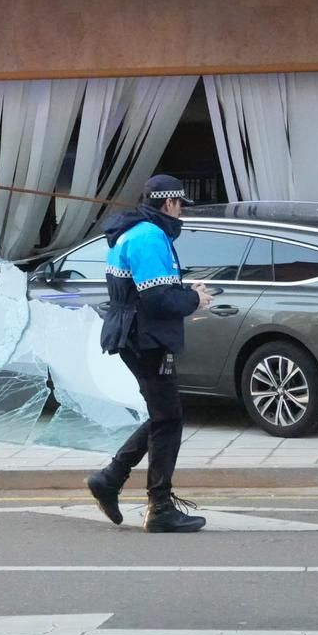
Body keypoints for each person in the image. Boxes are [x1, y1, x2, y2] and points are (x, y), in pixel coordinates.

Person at [85, 174, 214, 533]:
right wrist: (195, 299)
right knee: (168, 419)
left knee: (163, 415)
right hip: (147, 339)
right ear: (169, 203)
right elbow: (158, 299)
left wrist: (183, 294)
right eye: (180, 206)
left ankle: (111, 478)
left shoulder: (133, 232)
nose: (181, 214)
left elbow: (148, 290)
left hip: (135, 335)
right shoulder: (149, 236)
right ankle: (159, 507)